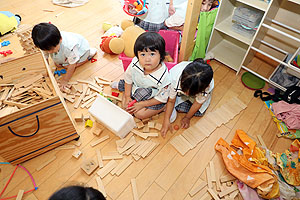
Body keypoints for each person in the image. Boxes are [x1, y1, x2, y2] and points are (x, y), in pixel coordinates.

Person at [111, 31, 171, 119]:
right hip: (137, 88)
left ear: (161, 55)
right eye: (142, 54)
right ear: (137, 55)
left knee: (140, 114)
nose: (147, 59)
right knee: (125, 106)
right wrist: (127, 96)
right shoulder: (135, 63)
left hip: (153, 98)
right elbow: (128, 78)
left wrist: (141, 104)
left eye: (152, 54)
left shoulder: (164, 77)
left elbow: (161, 98)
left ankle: (163, 108)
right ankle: (126, 93)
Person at [31, 23, 97, 91]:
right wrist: (47, 73)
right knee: (58, 64)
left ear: (61, 39)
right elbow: (45, 58)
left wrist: (65, 80)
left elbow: (72, 65)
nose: (49, 52)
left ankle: (90, 55)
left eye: (52, 49)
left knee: (67, 66)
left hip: (82, 51)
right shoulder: (46, 44)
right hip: (66, 52)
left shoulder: (69, 47)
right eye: (46, 50)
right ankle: (64, 59)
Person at [160, 58, 214, 137]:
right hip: (177, 90)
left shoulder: (207, 87)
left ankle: (183, 104)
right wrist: (166, 120)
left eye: (189, 93)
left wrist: (187, 118)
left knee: (199, 112)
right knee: (167, 99)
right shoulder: (175, 76)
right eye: (184, 90)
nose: (186, 93)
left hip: (195, 93)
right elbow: (171, 101)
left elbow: (197, 103)